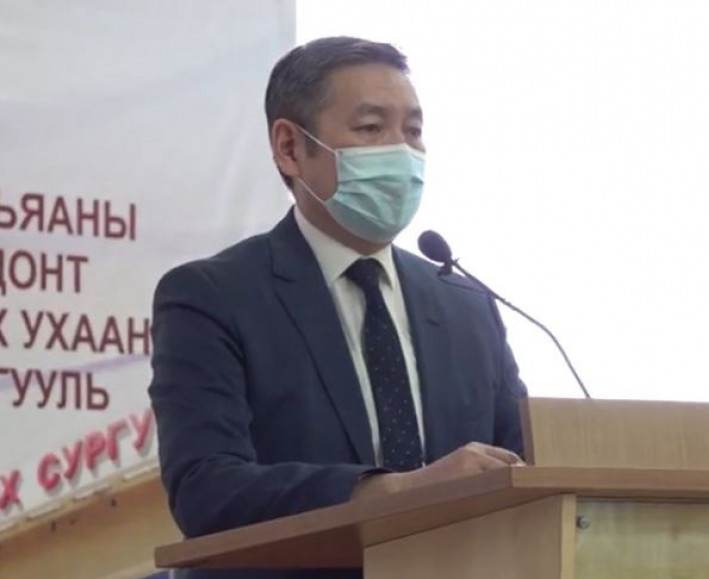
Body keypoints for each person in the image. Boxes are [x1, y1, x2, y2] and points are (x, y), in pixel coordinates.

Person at [148, 36, 528, 579]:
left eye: (413, 131)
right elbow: (206, 489)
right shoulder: (212, 297)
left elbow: (528, 468)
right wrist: (392, 492)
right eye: (371, 129)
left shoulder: (467, 305)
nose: (402, 152)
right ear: (289, 147)